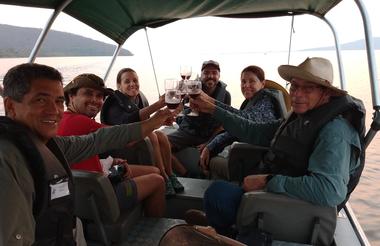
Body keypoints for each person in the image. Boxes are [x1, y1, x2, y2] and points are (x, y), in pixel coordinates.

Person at [188, 57, 365, 236]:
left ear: (327, 93)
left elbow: (330, 190)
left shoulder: (335, 131)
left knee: (217, 195)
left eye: (308, 88)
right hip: (279, 188)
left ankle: (226, 234)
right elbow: (253, 130)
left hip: (292, 208)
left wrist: (268, 181)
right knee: (219, 194)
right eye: (294, 86)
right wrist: (211, 106)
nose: (296, 94)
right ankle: (221, 227)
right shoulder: (301, 116)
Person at [0, 63, 174, 245]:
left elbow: (98, 140)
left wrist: (156, 120)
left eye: (58, 101)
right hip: (99, 199)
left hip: (72, 223)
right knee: (157, 179)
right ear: (10, 106)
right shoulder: (7, 160)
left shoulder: (48, 144)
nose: (54, 110)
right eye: (41, 100)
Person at [58, 73, 166, 216]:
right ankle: (155, 230)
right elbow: (125, 139)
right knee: (158, 180)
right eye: (88, 94)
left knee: (154, 170)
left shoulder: (62, 120)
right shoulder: (81, 122)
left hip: (84, 188)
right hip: (98, 197)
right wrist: (159, 119)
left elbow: (77, 157)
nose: (95, 100)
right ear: (71, 96)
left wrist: (110, 161)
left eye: (100, 96)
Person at [100, 68, 184, 196]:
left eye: (135, 80)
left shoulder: (139, 98)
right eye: (127, 81)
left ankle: (170, 173)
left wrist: (162, 120)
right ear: (119, 85)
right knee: (152, 136)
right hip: (119, 146)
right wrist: (159, 104)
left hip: (135, 139)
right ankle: (163, 176)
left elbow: (147, 123)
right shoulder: (113, 103)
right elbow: (128, 122)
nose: (132, 84)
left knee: (161, 136)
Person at [199, 65, 281, 179]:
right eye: (243, 81)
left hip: (257, 162)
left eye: (252, 81)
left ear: (263, 83)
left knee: (213, 161)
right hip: (249, 154)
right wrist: (210, 144)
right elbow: (239, 125)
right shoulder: (254, 101)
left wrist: (211, 104)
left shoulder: (266, 102)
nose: (246, 85)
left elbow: (245, 121)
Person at [167, 60, 231, 176]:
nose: (210, 76)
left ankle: (205, 176)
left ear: (219, 76)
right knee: (161, 144)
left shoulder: (225, 95)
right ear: (201, 75)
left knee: (213, 157)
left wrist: (209, 142)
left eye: (214, 73)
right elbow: (171, 100)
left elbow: (224, 124)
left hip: (210, 134)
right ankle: (184, 173)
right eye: (206, 73)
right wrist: (179, 89)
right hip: (187, 132)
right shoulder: (191, 87)